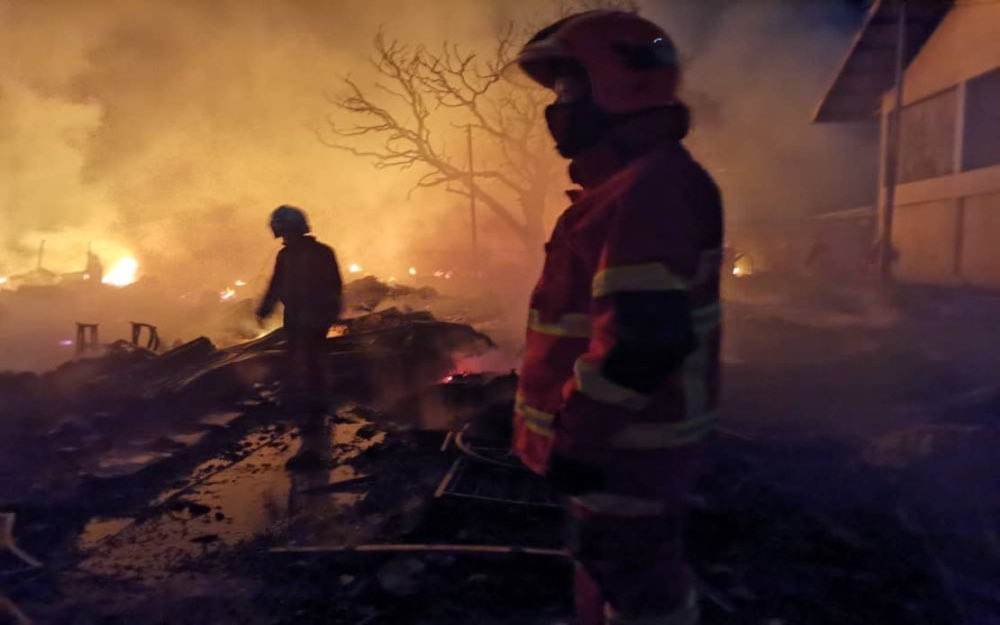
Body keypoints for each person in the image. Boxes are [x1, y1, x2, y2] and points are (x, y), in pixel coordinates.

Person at [512, 11, 723, 625]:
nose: (558, 109)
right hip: (621, 447)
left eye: (568, 91)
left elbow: (644, 339)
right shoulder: (628, 186)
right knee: (607, 577)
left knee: (639, 590)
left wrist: (577, 438)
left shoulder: (648, 190)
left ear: (619, 86)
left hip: (626, 449)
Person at [257, 205, 343, 429]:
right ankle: (304, 399)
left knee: (310, 358)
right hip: (298, 314)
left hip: (312, 314)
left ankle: (315, 404)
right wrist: (266, 308)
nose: (284, 236)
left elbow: (333, 285)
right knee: (299, 356)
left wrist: (331, 311)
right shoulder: (290, 255)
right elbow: (276, 285)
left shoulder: (315, 253)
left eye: (284, 230)